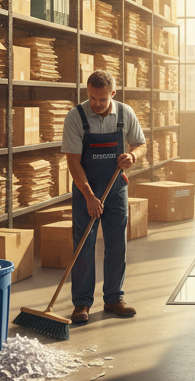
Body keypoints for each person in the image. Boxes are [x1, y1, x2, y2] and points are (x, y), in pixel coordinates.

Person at [60, 70, 147, 325]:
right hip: (86, 188)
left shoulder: (125, 113)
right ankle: (82, 304)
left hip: (116, 189)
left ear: (113, 93)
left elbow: (140, 144)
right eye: (92, 98)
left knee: (117, 245)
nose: (96, 104)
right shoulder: (75, 117)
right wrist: (89, 196)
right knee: (84, 246)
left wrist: (133, 157)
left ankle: (114, 299)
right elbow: (74, 163)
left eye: (102, 99)